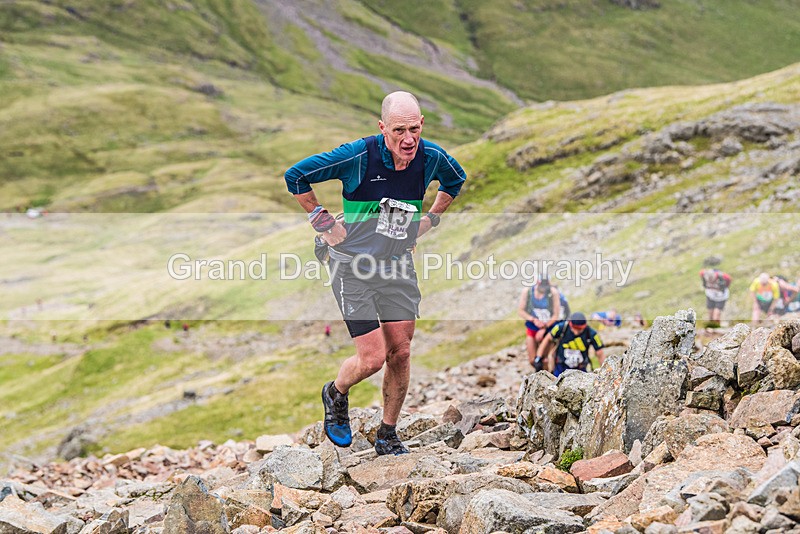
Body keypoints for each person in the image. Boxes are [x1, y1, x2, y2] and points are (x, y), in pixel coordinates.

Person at [285, 91, 466, 456]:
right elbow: (296, 176)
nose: (408, 139)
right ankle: (335, 393)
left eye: (414, 129)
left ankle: (387, 433)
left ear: (422, 125)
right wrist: (323, 223)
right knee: (372, 358)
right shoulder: (357, 156)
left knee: (400, 351)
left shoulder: (430, 157)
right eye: (399, 130)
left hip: (397, 264)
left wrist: (430, 219)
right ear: (383, 127)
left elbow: (455, 180)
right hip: (352, 266)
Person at [535, 312, 605, 377]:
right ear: (570, 324)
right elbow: (547, 339)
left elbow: (600, 353)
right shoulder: (561, 328)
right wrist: (538, 358)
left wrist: (604, 372)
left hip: (580, 369)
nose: (577, 332)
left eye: (580, 329)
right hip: (561, 367)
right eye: (574, 328)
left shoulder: (591, 333)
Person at [517, 275, 562, 370]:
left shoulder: (553, 293)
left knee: (544, 359)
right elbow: (521, 311)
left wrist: (544, 328)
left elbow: (556, 315)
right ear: (537, 283)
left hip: (548, 328)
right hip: (532, 327)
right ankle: (539, 376)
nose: (544, 289)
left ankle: (548, 379)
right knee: (532, 360)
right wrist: (533, 320)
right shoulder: (528, 292)